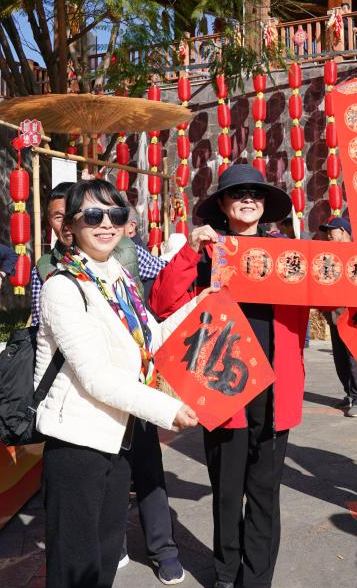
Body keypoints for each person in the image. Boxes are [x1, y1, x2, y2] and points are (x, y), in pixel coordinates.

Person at [34, 179, 207, 588]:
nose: (106, 224)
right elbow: (95, 376)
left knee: (108, 552)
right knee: (76, 565)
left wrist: (205, 303)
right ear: (70, 228)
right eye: (93, 216)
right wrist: (168, 410)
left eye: (116, 214)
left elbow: (155, 339)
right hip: (78, 443)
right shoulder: (62, 286)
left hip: (119, 436)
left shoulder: (118, 279)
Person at [148, 165, 309, 588]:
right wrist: (188, 252)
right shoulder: (205, 252)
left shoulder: (288, 253)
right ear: (221, 203)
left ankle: (256, 580)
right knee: (226, 490)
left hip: (276, 389)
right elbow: (163, 304)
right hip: (223, 388)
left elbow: (343, 288)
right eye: (238, 193)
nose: (248, 199)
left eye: (256, 193)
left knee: (264, 493)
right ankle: (225, 575)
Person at [319, 216, 357, 417]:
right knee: (340, 359)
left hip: (352, 315)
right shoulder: (328, 254)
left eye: (332, 230)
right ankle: (349, 394)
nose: (328, 234)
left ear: (344, 231)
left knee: (353, 359)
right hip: (333, 313)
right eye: (327, 231)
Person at [30, 182, 75, 327]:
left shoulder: (119, 252)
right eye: (58, 217)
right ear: (49, 221)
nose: (67, 224)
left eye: (72, 213)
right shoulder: (43, 268)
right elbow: (40, 323)